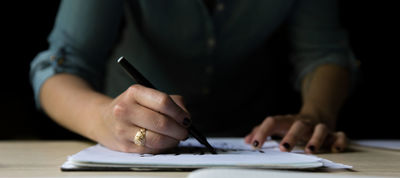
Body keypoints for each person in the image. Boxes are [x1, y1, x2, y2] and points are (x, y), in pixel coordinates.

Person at [30, 0, 356, 154]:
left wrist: (316, 113)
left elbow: (324, 54)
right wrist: (104, 118)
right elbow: (61, 67)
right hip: (131, 146)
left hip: (261, 148)